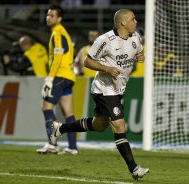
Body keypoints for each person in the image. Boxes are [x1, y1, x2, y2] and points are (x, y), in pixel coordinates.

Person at [49, 9, 149, 180]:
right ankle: (134, 169)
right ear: (123, 22)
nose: (136, 22)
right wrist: (107, 68)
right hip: (103, 89)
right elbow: (88, 61)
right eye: (133, 19)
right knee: (119, 126)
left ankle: (61, 128)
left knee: (99, 125)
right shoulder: (105, 40)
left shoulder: (135, 38)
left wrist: (140, 57)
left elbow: (138, 53)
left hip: (118, 89)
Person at [36, 5, 78, 155]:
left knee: (46, 108)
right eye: (47, 15)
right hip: (69, 77)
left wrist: (50, 77)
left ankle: (52, 144)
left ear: (59, 18)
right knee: (68, 113)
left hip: (60, 76)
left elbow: (58, 57)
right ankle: (72, 147)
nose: (48, 18)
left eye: (52, 15)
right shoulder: (62, 33)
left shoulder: (58, 33)